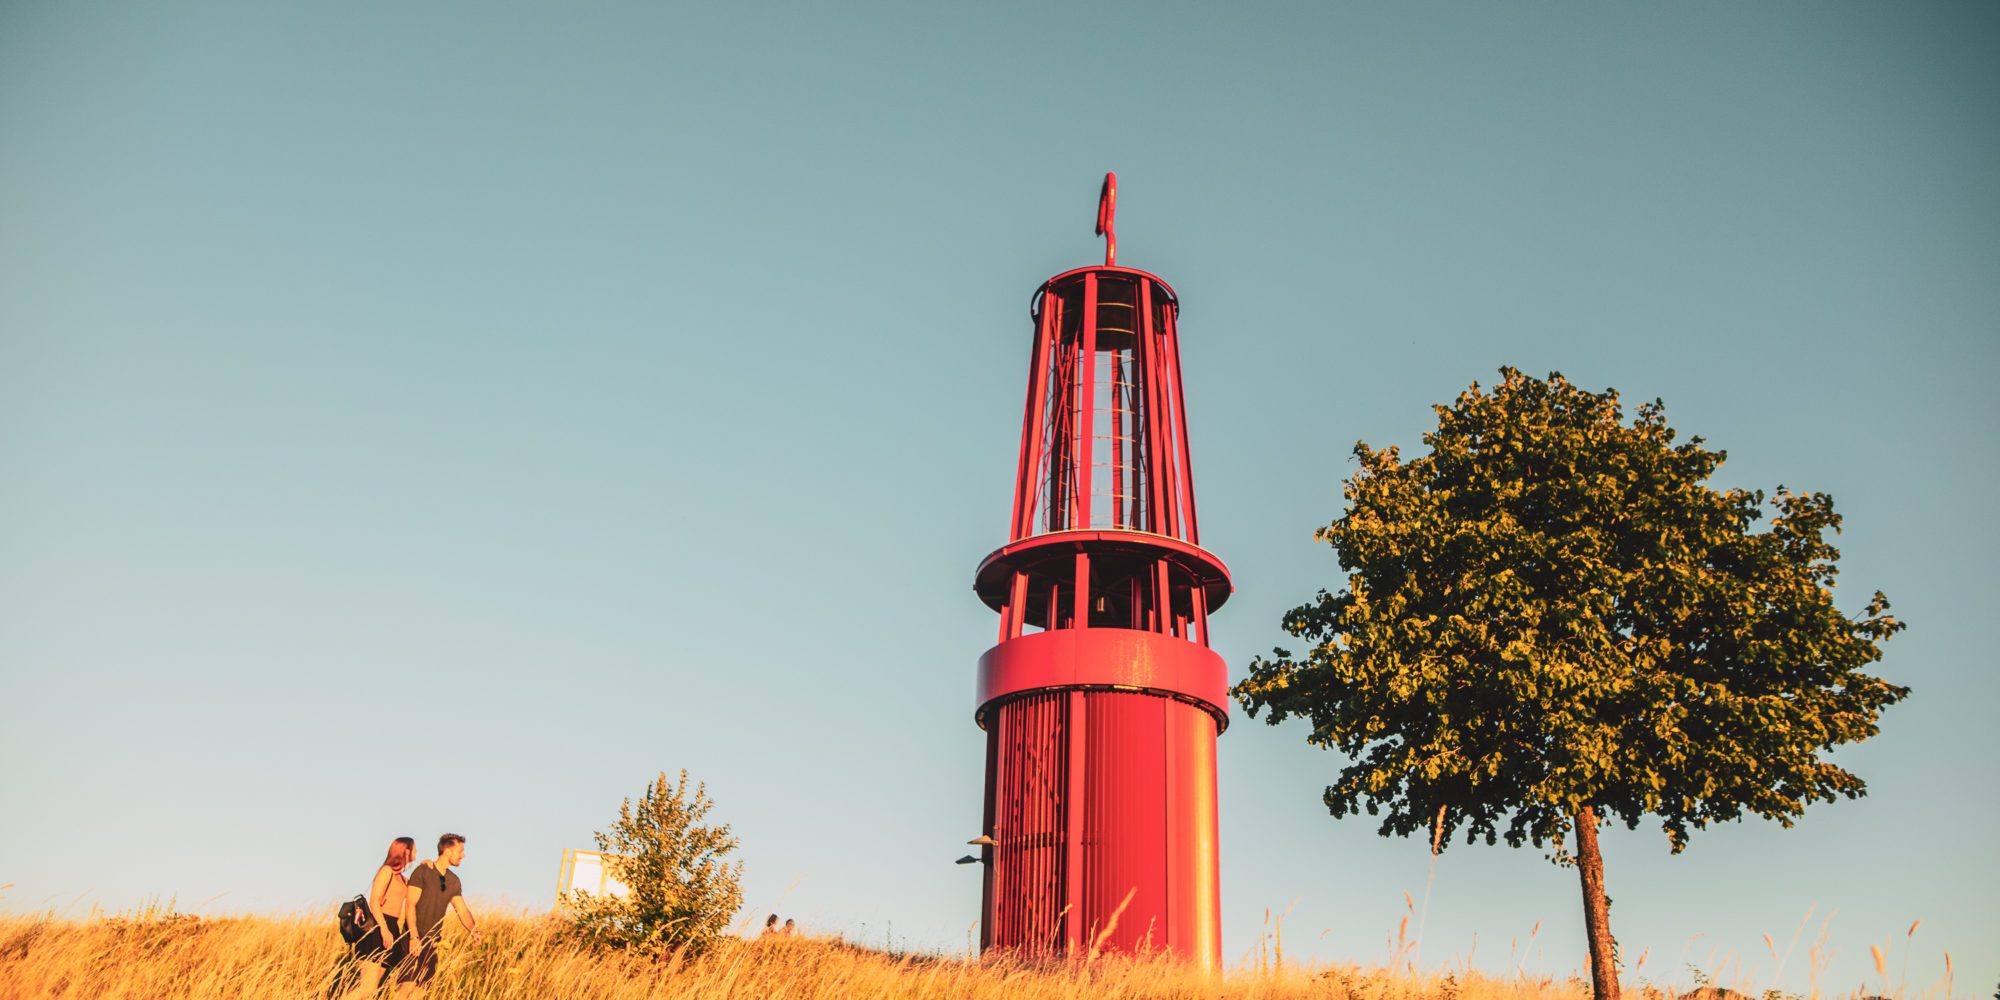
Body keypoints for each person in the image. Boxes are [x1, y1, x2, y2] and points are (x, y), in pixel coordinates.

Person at [396, 833, 478, 996]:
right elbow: (410, 905)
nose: (463, 855)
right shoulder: (422, 872)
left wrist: (473, 930)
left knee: (420, 991)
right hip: (413, 937)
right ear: (448, 851)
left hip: (432, 943)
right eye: (460, 851)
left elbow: (461, 909)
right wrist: (413, 937)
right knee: (406, 987)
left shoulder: (453, 880)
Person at [339, 836, 414, 1000]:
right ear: (405, 850)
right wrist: (384, 929)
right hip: (378, 928)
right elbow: (374, 901)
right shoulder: (386, 871)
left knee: (372, 988)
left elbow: (414, 897)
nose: (416, 852)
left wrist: (427, 866)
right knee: (367, 988)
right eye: (414, 848)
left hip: (392, 926)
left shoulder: (402, 879)